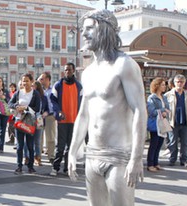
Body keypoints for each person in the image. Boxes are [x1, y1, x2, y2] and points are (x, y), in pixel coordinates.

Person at [67, 10, 147, 206]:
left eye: (89, 28)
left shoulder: (124, 65)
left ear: (104, 29)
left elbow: (139, 111)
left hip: (119, 155)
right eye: (82, 29)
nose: (84, 34)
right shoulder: (88, 72)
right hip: (92, 154)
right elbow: (83, 114)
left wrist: (136, 158)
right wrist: (72, 150)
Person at [49, 62, 83, 176]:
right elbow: (52, 99)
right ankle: (55, 167)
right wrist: (58, 110)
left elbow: (83, 102)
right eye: (65, 70)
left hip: (74, 120)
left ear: (73, 71)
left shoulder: (79, 86)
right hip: (62, 120)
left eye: (69, 69)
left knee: (71, 146)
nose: (67, 71)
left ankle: (68, 168)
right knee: (60, 146)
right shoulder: (58, 85)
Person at [8, 73, 41, 175]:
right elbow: (10, 103)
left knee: (30, 145)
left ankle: (30, 166)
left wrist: (26, 108)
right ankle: (19, 166)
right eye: (23, 81)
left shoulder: (35, 94)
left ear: (31, 82)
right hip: (19, 121)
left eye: (27, 80)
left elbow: (37, 108)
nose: (25, 83)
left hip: (30, 122)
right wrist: (17, 106)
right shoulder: (18, 93)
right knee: (19, 145)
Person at [164, 74, 187, 167]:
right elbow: (164, 108)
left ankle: (184, 160)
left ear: (184, 83)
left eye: (181, 82)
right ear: (174, 83)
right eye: (178, 82)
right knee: (173, 142)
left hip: (185, 122)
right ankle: (172, 159)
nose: (179, 84)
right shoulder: (168, 95)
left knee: (185, 143)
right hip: (172, 122)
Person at [146, 78, 170, 172]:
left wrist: (166, 112)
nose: (164, 87)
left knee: (160, 143)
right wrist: (162, 111)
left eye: (164, 85)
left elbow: (167, 107)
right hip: (155, 122)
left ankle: (156, 162)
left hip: (163, 122)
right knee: (154, 144)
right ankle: (150, 163)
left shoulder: (163, 97)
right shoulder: (152, 98)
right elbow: (152, 111)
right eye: (163, 85)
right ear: (157, 86)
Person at [38, 72, 57, 163]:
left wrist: (50, 112)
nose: (40, 80)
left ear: (48, 79)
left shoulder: (53, 90)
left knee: (51, 137)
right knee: (39, 137)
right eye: (40, 79)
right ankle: (38, 156)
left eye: (42, 79)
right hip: (39, 117)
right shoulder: (38, 90)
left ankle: (51, 156)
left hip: (50, 116)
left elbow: (55, 103)